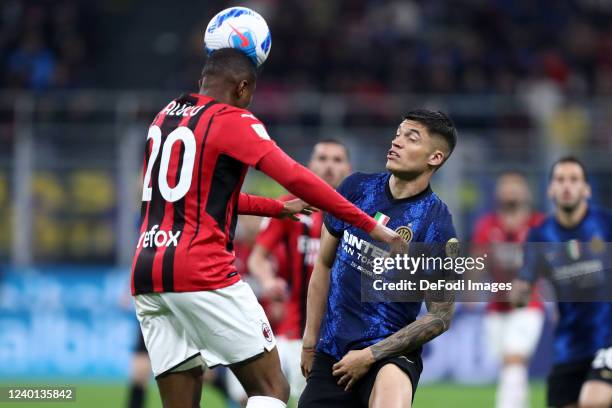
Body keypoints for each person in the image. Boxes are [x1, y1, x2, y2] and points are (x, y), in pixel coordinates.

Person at [130, 48, 403, 408]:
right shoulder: (232, 119)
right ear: (242, 88)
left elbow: (201, 197)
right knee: (272, 388)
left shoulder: (165, 117)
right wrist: (368, 222)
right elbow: (293, 174)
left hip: (148, 273)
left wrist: (276, 208)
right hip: (201, 270)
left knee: (181, 399)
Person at [299, 110, 458, 408]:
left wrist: (370, 355)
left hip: (389, 355)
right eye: (398, 133)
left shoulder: (438, 224)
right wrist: (310, 340)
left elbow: (441, 316)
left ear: (434, 158)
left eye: (411, 138)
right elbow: (323, 264)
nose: (396, 142)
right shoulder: (355, 189)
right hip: (333, 353)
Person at [245, 140, 352, 403]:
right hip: (297, 332)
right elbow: (257, 259)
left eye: (337, 160)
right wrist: (269, 281)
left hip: (347, 335)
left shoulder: (358, 213)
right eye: (323, 158)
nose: (329, 166)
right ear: (310, 166)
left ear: (348, 168)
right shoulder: (289, 207)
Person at [514, 157, 612, 408]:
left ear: (586, 189)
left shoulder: (605, 225)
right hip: (567, 348)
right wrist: (519, 293)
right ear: (550, 189)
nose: (567, 186)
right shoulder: (540, 235)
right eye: (560, 180)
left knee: (594, 400)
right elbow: (524, 285)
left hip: (607, 341)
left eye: (574, 180)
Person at [472, 171, 545, 408]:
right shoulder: (487, 226)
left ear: (527, 192)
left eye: (516, 185)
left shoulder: (538, 224)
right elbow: (476, 262)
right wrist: (468, 292)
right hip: (496, 308)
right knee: (510, 365)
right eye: (506, 186)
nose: (511, 190)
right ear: (497, 192)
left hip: (528, 305)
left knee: (515, 359)